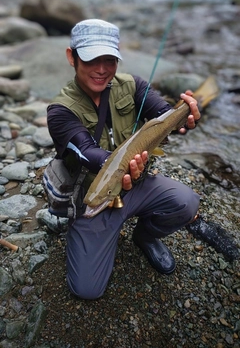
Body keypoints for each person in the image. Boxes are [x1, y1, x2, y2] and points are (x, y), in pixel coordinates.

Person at [47, 19, 201, 300]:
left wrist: (185, 117)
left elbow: (163, 113)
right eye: (92, 59)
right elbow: (87, 152)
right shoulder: (60, 111)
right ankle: (88, 233)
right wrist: (123, 165)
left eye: (109, 59)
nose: (102, 69)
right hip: (95, 196)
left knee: (187, 203)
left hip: (136, 185)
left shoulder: (132, 86)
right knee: (87, 290)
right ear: (72, 57)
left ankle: (145, 236)